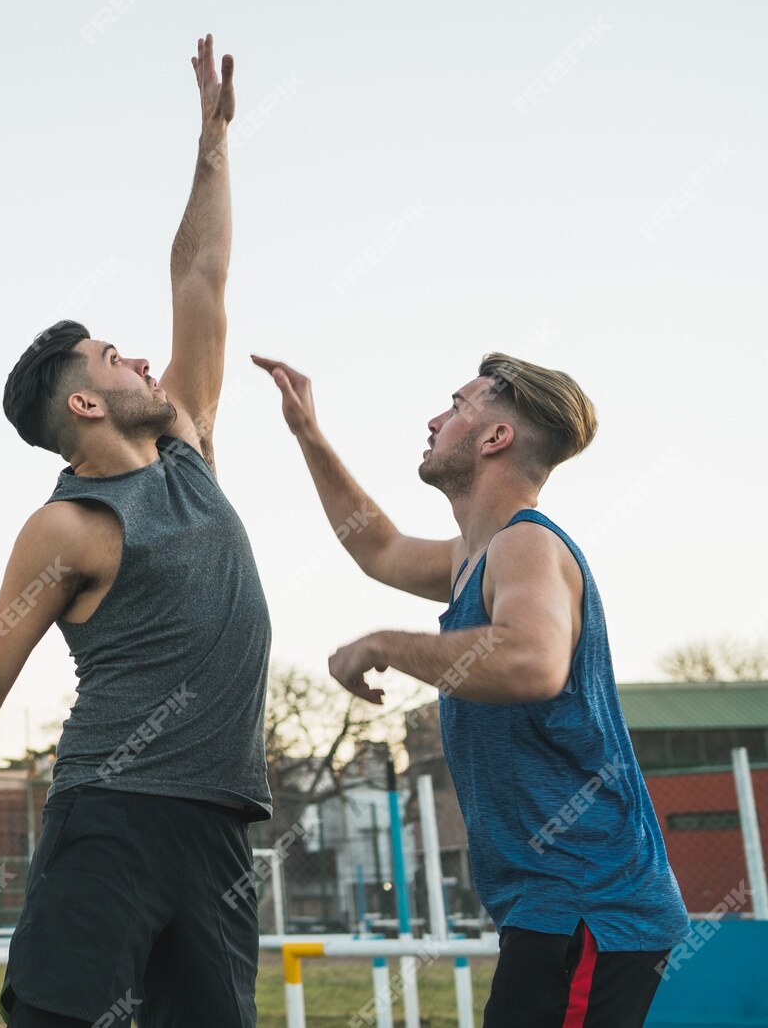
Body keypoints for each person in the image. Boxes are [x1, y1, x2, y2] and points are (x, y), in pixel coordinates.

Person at [0, 36, 272, 1028]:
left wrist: (211, 141)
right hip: (112, 819)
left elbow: (201, 271)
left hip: (219, 831)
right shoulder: (68, 527)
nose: (140, 356)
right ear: (85, 402)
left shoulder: (188, 450)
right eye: (111, 354)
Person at [252, 352, 687, 1027]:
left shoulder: (527, 546)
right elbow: (378, 547)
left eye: (456, 405)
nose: (434, 420)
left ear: (494, 439)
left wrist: (386, 644)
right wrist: (308, 432)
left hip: (589, 905)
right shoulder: (472, 558)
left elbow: (531, 664)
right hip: (556, 907)